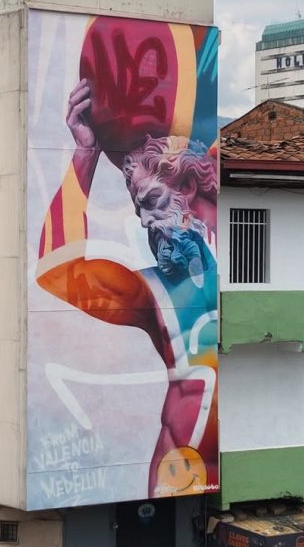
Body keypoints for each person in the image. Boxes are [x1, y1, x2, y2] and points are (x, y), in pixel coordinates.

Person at [36, 70, 219, 499]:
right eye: (139, 211)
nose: (148, 222)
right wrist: (86, 154)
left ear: (188, 189)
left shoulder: (241, 258)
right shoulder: (153, 293)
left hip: (249, 461)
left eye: (152, 202)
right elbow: (57, 272)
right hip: (180, 471)